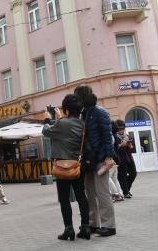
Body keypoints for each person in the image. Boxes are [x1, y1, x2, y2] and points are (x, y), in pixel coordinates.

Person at [42, 94, 90, 240]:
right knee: (82, 197)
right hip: (77, 165)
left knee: (64, 199)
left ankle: (69, 229)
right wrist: (61, 117)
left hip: (62, 166)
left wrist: (47, 119)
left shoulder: (62, 123)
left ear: (67, 110)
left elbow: (46, 131)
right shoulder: (83, 124)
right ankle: (86, 227)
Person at [74, 85, 116, 237]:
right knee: (90, 194)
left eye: (77, 97)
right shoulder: (82, 114)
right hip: (87, 160)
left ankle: (109, 226)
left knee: (102, 192)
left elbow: (107, 137)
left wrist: (109, 157)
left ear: (83, 97)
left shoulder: (100, 112)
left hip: (99, 158)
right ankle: (93, 224)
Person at [115, 119, 137, 199]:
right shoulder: (114, 137)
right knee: (122, 176)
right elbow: (113, 148)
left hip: (129, 157)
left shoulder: (127, 136)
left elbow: (132, 148)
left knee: (133, 173)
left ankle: (126, 189)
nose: (121, 130)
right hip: (120, 158)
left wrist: (130, 146)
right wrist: (121, 145)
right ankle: (125, 192)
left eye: (122, 128)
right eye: (119, 129)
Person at [109, 121, 124, 202]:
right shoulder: (115, 136)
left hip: (112, 159)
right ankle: (120, 194)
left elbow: (111, 149)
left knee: (108, 178)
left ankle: (115, 194)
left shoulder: (110, 136)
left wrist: (112, 158)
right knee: (114, 178)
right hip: (116, 159)